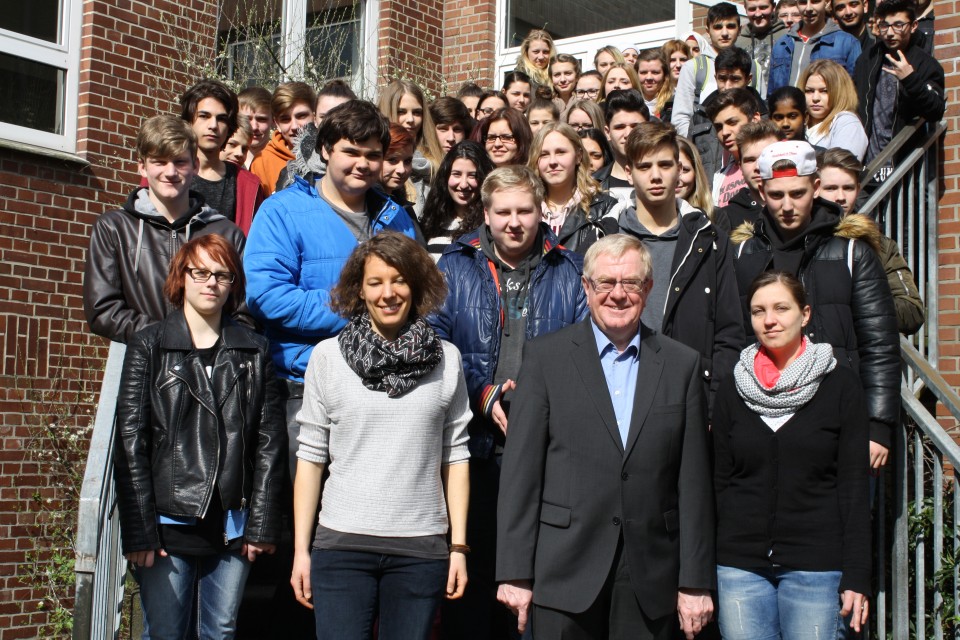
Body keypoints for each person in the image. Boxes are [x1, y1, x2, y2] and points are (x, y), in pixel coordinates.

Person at [495, 233, 715, 640]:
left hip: (650, 576)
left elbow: (694, 483)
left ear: (648, 289)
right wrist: (514, 572)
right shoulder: (545, 358)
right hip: (562, 572)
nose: (618, 295)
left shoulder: (682, 365)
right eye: (605, 283)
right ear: (586, 287)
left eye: (630, 283)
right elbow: (521, 475)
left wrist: (695, 581)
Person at [430, 166, 587, 640]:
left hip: (547, 445)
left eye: (524, 210)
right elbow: (434, 340)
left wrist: (543, 400)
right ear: (485, 213)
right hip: (473, 445)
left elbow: (585, 348)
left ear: (542, 212)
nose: (514, 221)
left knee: (533, 579)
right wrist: (482, 391)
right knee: (473, 577)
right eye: (503, 212)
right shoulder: (455, 266)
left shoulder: (571, 268)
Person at [289, 232, 471, 640]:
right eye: (375, 282)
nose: (388, 293)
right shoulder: (327, 358)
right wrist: (301, 551)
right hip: (341, 547)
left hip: (420, 549)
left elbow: (456, 457)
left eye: (398, 280)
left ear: (416, 286)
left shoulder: (448, 360)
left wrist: (458, 547)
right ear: (359, 289)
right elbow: (311, 459)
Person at [114, 234, 285, 639]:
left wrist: (260, 524)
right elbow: (130, 440)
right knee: (166, 632)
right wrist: (139, 529)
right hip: (166, 524)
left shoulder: (255, 351)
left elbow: (269, 442)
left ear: (233, 285)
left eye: (222, 275)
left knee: (220, 631)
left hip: (231, 523)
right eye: (201, 272)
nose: (211, 282)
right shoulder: (150, 345)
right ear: (182, 278)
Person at [243, 99, 419, 483]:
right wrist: (358, 309)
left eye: (372, 155)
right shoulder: (282, 211)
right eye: (350, 152)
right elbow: (267, 295)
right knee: (302, 521)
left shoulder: (397, 218)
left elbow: (418, 295)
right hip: (306, 390)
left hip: (383, 389)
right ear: (325, 150)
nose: (362, 163)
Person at [712, 270, 871, 640]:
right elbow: (718, 483)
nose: (769, 320)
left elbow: (853, 488)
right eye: (758, 311)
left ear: (806, 314)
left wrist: (857, 575)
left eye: (781, 308)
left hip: (817, 568)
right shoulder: (733, 388)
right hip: (740, 569)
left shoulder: (840, 385)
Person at [729, 139, 900, 472]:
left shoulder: (853, 253)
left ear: (816, 187)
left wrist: (878, 423)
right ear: (761, 193)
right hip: (762, 413)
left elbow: (879, 344)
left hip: (836, 417)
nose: (788, 205)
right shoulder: (742, 254)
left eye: (798, 193)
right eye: (777, 195)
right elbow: (733, 338)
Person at [84, 115, 246, 344]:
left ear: (195, 166)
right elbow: (102, 310)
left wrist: (204, 343)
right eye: (159, 162)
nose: (170, 172)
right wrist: (168, 336)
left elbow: (244, 311)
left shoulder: (226, 234)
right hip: (139, 363)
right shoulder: (114, 228)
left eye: (180, 162)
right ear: (142, 166)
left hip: (208, 365)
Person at [615, 122, 743, 409]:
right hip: (617, 394)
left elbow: (729, 332)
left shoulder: (709, 240)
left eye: (665, 164)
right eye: (645, 166)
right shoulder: (607, 235)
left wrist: (711, 405)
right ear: (628, 173)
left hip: (688, 395)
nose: (656, 176)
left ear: (679, 169)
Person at [818, 148, 925, 335]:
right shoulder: (799, 239)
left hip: (861, 356)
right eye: (831, 188)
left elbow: (911, 312)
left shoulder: (879, 244)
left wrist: (861, 299)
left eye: (848, 188)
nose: (841, 197)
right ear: (814, 188)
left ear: (858, 190)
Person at [854, 0, 946, 165]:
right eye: (884, 25)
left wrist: (910, 79)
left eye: (898, 25)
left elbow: (936, 110)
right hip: (868, 165)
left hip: (903, 166)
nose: (889, 33)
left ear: (913, 26)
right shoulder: (867, 59)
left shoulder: (925, 64)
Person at [179, 79, 265, 234]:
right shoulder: (164, 171)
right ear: (189, 120)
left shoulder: (248, 185)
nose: (213, 125)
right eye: (204, 116)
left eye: (221, 119)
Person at [530, 123, 619, 253]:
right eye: (544, 154)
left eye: (561, 152)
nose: (552, 161)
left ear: (578, 156)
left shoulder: (604, 207)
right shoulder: (524, 207)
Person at [687, 47, 763, 187]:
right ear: (715, 77)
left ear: (748, 79)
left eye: (735, 79)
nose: (727, 86)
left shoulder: (765, 116)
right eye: (722, 78)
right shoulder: (700, 116)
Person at [671, 2, 743, 137]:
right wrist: (696, 149)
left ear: (739, 29)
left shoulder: (752, 66)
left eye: (731, 26)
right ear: (708, 30)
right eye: (718, 27)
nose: (725, 32)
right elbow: (680, 118)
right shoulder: (693, 66)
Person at [767, 0, 862, 96]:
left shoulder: (847, 42)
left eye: (815, 2)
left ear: (827, 2)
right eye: (803, 2)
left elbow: (856, 93)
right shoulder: (782, 44)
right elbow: (771, 94)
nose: (808, 8)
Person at [378, 80, 446, 214]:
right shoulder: (377, 161)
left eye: (417, 113)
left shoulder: (440, 161)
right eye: (401, 112)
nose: (410, 119)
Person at [421, 140, 495, 258]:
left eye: (472, 175)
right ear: (445, 176)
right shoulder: (431, 222)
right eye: (457, 174)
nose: (464, 184)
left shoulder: (490, 224)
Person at [714, 119, 782, 233]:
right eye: (750, 160)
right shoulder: (725, 218)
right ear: (740, 165)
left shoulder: (801, 208)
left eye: (765, 158)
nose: (758, 167)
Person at [250, 82, 317, 197]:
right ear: (277, 124)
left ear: (315, 116)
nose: (295, 126)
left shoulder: (331, 154)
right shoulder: (262, 163)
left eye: (301, 116)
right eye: (285, 119)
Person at [705, 88, 763, 207]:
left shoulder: (772, 163)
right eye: (719, 127)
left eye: (732, 122)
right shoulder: (719, 177)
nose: (725, 132)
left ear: (755, 119)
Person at [799, 59, 868, 160]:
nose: (815, 98)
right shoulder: (796, 122)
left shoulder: (847, 123)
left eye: (824, 91)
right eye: (809, 91)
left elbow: (842, 169)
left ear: (839, 92)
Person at [596, 90, 650, 195]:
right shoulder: (592, 185)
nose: (628, 134)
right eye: (620, 127)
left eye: (635, 127)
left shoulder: (664, 180)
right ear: (607, 132)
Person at [736, 0, 788, 96]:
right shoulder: (738, 43)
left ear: (773, 7)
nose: (758, 14)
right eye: (752, 9)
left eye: (763, 7)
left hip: (780, 101)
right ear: (745, 10)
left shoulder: (787, 37)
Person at [676, 136, 715, 218]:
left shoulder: (717, 216)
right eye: (668, 169)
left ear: (696, 172)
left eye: (685, 170)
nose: (676, 178)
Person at [238, 86, 273, 169]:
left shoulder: (280, 161)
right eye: (247, 119)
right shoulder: (225, 159)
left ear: (273, 121)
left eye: (261, 119)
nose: (254, 127)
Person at [635, 49, 671, 118]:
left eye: (655, 72)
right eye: (643, 72)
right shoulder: (630, 104)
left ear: (665, 75)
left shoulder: (674, 104)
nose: (649, 78)